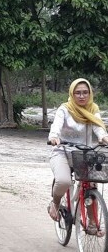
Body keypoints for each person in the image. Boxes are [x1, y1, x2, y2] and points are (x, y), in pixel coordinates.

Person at [47, 78, 108, 231]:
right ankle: (54, 203)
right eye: (78, 93)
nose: (82, 96)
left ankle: (92, 222)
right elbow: (56, 126)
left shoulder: (92, 109)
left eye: (85, 93)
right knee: (63, 181)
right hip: (62, 152)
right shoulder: (65, 109)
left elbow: (98, 127)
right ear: (72, 94)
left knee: (91, 185)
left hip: (83, 154)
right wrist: (54, 137)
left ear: (90, 94)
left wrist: (103, 137)